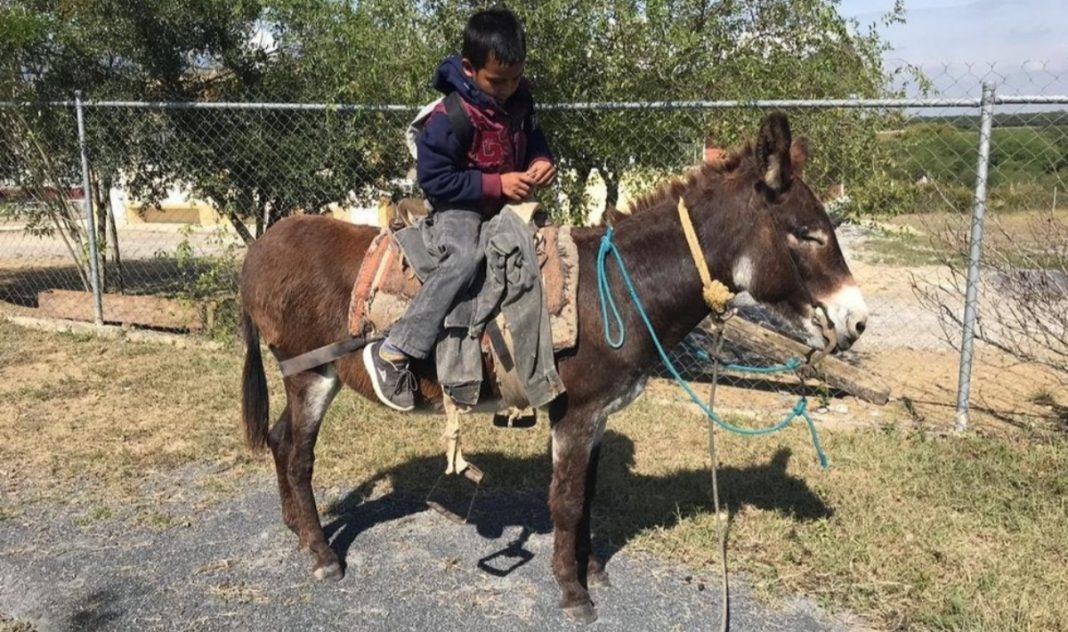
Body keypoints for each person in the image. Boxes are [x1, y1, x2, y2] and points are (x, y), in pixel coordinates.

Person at [364, 6, 556, 411]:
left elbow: (534, 136)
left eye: (516, 78)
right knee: (466, 258)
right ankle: (397, 348)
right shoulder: (450, 118)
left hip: (506, 205)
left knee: (546, 253)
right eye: (497, 80)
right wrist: (496, 183)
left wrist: (541, 160)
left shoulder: (520, 100)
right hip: (459, 208)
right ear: (469, 68)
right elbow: (434, 181)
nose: (507, 88)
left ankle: (521, 367)